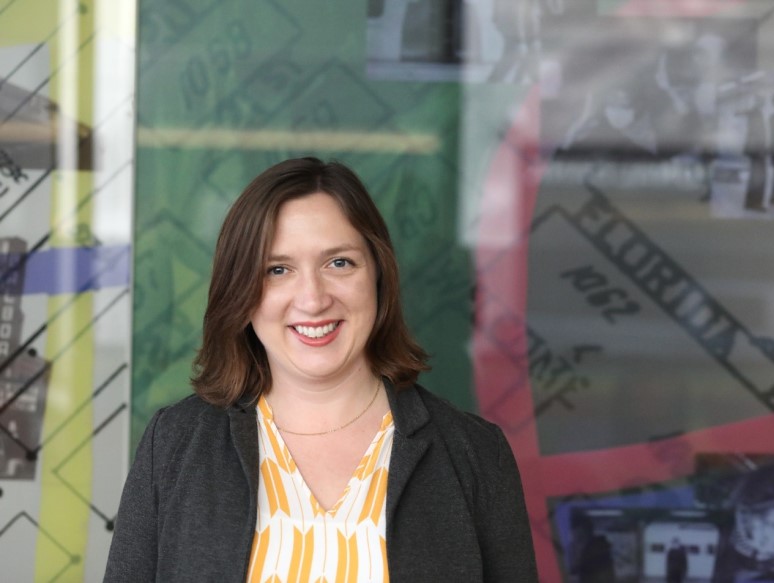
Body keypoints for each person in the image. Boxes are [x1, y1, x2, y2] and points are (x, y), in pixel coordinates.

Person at [103, 157, 538, 582]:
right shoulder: (174, 445)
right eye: (277, 269)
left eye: (339, 263)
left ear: (378, 275)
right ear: (241, 292)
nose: (312, 299)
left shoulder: (476, 454)